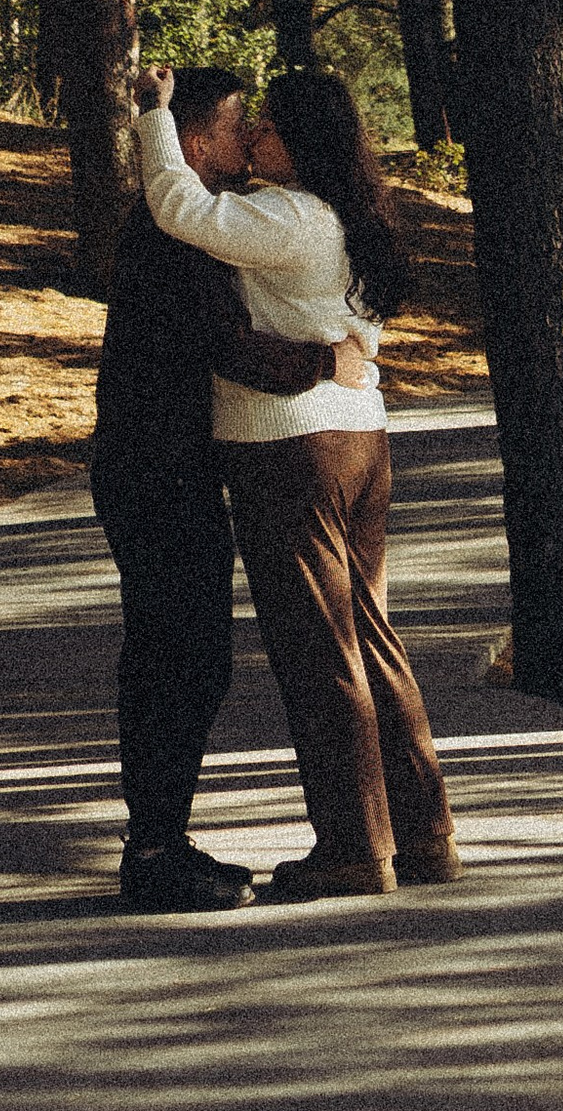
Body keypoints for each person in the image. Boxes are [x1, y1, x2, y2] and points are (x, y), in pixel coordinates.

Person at [134, 57, 458, 903]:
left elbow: (179, 206)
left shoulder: (287, 217)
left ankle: (354, 847)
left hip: (290, 448)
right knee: (373, 639)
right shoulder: (350, 219)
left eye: (269, 125)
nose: (255, 135)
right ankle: (423, 833)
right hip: (361, 442)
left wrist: (156, 117)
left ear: (304, 142)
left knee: (320, 653)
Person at [90, 64, 377, 912]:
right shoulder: (170, 227)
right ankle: (152, 852)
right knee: (175, 657)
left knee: (188, 657)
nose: (248, 136)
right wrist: (330, 359)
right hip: (154, 469)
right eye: (235, 124)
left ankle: (163, 840)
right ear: (194, 141)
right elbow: (229, 345)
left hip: (172, 465)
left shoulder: (201, 224)